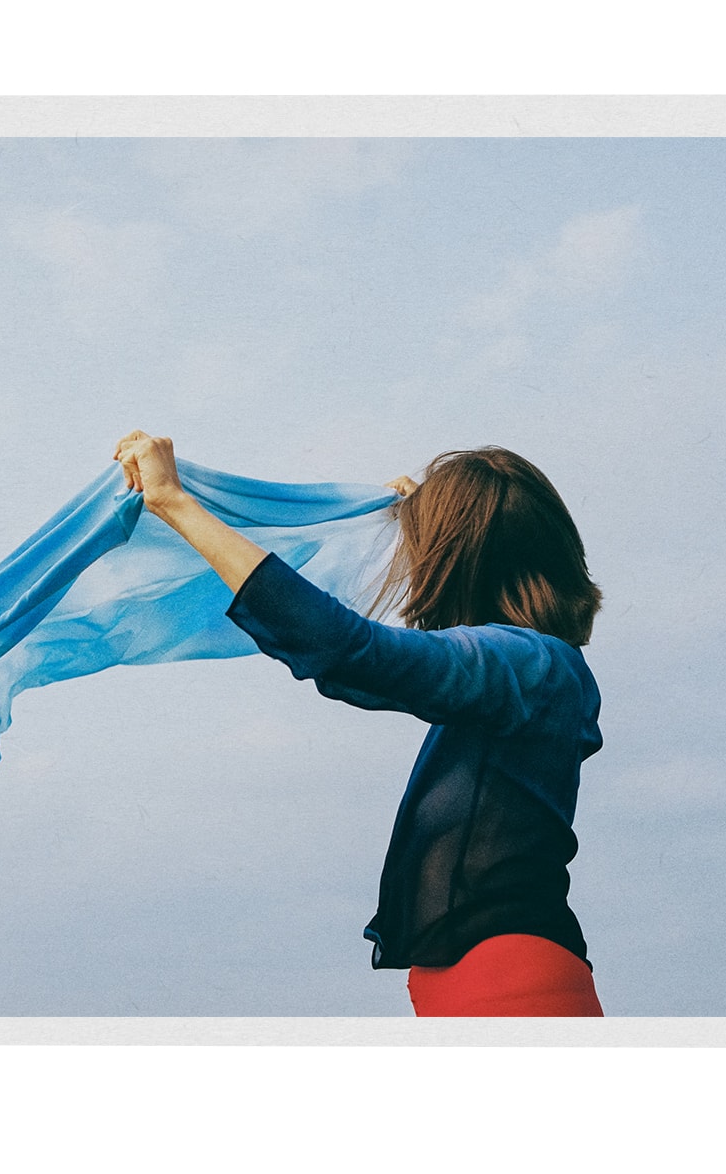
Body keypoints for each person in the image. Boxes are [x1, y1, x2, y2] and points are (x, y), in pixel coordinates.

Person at [112, 430, 606, 1017]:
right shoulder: (529, 675)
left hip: (509, 989)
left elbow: (351, 650)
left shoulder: (529, 664)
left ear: (464, 555)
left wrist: (175, 504)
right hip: (490, 985)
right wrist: (409, 512)